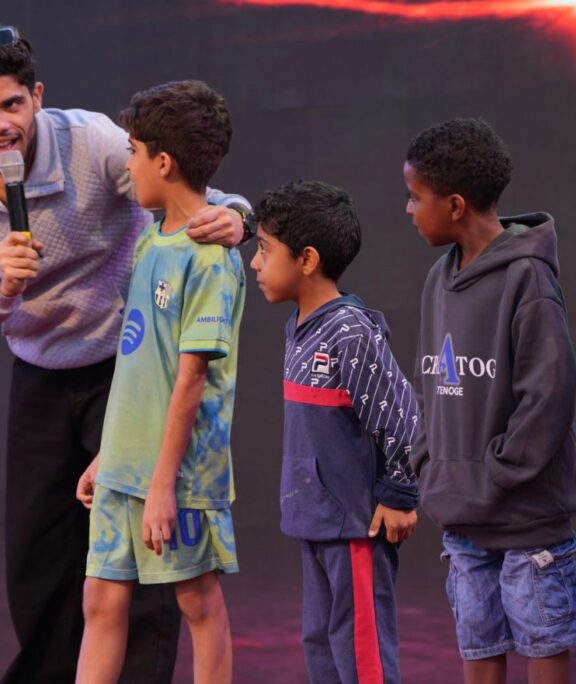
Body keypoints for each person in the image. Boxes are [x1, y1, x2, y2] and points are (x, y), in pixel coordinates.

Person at [0, 25, 252, 683]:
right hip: (40, 366)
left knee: (150, 564)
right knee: (40, 560)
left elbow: (189, 199)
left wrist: (240, 217)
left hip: (125, 366)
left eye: (12, 104)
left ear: (37, 96)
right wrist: (3, 286)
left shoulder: (95, 140)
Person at [404, 118, 576, 684]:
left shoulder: (528, 276)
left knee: (543, 639)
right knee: (478, 641)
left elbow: (550, 392)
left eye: (415, 196)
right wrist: (431, 464)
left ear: (455, 204)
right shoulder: (438, 278)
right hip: (462, 517)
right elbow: (430, 385)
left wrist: (495, 474)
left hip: (527, 520)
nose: (408, 210)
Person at [75, 80, 244, 684]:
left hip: (181, 477)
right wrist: (110, 453)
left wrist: (164, 485)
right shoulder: (150, 239)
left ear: (164, 162)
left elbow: (191, 380)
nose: (128, 164)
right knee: (101, 600)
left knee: (197, 601)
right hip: (126, 467)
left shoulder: (211, 257)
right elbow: (139, 363)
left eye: (134, 152)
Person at [249, 180, 419, 684]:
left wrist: (400, 494)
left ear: (307, 259)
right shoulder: (299, 326)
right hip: (316, 523)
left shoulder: (350, 330)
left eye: (265, 250)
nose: (255, 263)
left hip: (354, 531)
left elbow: (404, 417)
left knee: (360, 653)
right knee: (321, 646)